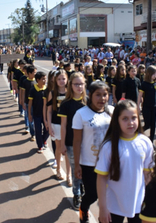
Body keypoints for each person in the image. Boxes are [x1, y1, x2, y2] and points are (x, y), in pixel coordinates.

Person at [96, 100, 153, 223]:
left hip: (138, 204)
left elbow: (147, 174)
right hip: (113, 205)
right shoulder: (108, 146)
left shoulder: (145, 142)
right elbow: (101, 178)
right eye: (125, 119)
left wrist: (149, 199)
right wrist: (102, 208)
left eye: (134, 118)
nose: (131, 122)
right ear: (117, 120)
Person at [72, 81, 114, 223]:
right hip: (89, 163)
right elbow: (77, 141)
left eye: (105, 95)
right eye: (98, 95)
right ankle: (84, 207)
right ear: (90, 95)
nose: (102, 98)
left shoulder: (112, 112)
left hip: (109, 162)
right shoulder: (81, 114)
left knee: (109, 195)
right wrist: (77, 165)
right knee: (93, 194)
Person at [58, 72, 87, 209]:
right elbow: (63, 126)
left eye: (81, 84)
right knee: (76, 169)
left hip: (87, 143)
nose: (79, 87)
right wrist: (62, 144)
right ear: (71, 85)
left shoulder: (88, 102)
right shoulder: (66, 104)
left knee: (87, 170)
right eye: (76, 84)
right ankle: (77, 193)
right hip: (71, 143)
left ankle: (83, 189)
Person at [47, 69, 68, 180]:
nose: (61, 81)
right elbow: (49, 110)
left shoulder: (70, 92)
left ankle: (69, 174)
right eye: (59, 79)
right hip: (56, 123)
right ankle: (59, 169)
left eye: (63, 78)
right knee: (59, 147)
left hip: (68, 124)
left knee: (69, 150)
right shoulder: (52, 93)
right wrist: (49, 125)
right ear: (55, 80)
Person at [138, 66, 156, 142]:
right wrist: (138, 106)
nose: (155, 75)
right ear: (149, 74)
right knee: (147, 124)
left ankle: (151, 141)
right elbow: (140, 95)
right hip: (146, 107)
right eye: (153, 74)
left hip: (154, 107)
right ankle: (138, 134)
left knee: (153, 125)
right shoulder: (144, 84)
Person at [28, 71, 49, 153]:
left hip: (46, 114)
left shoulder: (47, 89)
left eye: (45, 79)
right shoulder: (33, 90)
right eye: (43, 79)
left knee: (47, 129)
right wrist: (29, 114)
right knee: (38, 130)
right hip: (36, 114)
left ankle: (44, 139)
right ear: (37, 80)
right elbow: (30, 103)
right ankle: (40, 146)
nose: (45, 80)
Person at [21, 65, 37, 141]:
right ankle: (33, 134)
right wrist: (23, 102)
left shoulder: (37, 81)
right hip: (28, 103)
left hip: (37, 103)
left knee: (37, 119)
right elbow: (23, 92)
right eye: (34, 72)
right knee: (30, 119)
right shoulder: (25, 82)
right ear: (29, 73)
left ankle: (37, 132)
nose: (35, 74)